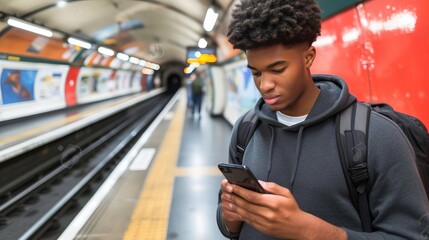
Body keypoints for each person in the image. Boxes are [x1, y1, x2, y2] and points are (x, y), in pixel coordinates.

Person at [216, 0, 429, 239]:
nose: (265, 85)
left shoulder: (375, 135)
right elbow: (230, 228)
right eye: (256, 72)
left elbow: (412, 235)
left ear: (308, 57)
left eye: (278, 69)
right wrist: (230, 216)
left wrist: (307, 230)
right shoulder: (246, 129)